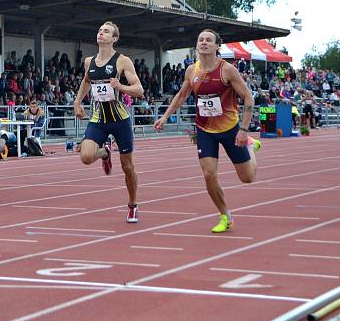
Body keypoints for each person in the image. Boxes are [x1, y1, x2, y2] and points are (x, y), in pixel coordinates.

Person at [154, 29, 261, 234]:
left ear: (216, 46)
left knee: (247, 178)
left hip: (230, 129)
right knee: (209, 174)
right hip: (205, 130)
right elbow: (182, 94)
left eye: (208, 40)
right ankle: (225, 216)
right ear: (196, 45)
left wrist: (244, 129)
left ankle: (250, 145)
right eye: (200, 40)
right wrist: (166, 115)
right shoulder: (191, 71)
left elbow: (249, 98)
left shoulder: (227, 70)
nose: (204, 43)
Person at [73, 21, 144, 223]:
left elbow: (139, 90)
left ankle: (132, 205)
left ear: (114, 38)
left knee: (127, 167)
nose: (101, 33)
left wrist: (120, 86)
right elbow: (86, 81)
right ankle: (104, 152)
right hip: (98, 118)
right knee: (86, 157)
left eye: (106, 31)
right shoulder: (89, 62)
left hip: (120, 119)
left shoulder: (122, 61)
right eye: (99, 30)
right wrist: (78, 102)